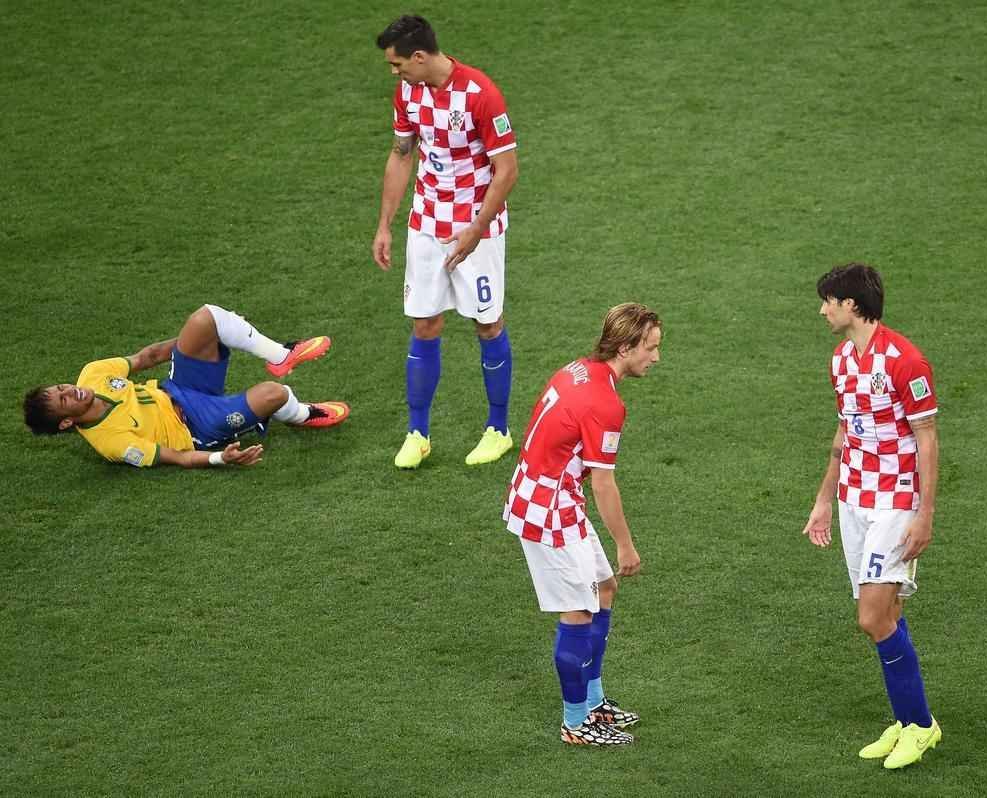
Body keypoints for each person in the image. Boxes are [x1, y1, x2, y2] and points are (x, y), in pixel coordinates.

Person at [802, 263, 942, 769]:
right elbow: (846, 434)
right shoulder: (841, 360)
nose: (822, 310)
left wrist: (925, 514)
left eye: (829, 301)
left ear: (852, 306)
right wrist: (822, 500)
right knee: (885, 615)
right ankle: (909, 722)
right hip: (852, 499)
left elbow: (927, 440)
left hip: (894, 502)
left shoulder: (906, 362)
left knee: (871, 617)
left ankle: (921, 725)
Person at [503, 303, 661, 746]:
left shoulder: (578, 369)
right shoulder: (606, 403)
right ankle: (576, 722)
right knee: (579, 608)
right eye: (650, 348)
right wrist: (626, 545)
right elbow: (604, 486)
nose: (656, 357)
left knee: (603, 588)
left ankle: (593, 702)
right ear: (626, 347)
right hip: (548, 505)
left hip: (549, 491)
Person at [372, 14, 520, 470]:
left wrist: (477, 226)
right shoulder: (408, 93)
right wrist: (385, 224)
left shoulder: (480, 93)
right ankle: (418, 432)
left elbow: (507, 169)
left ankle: (498, 430)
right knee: (424, 324)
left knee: (487, 324)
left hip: (476, 230)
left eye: (397, 64)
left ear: (419, 56)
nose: (394, 72)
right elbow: (401, 155)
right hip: (426, 225)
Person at [22, 304, 348, 469]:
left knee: (207, 318)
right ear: (67, 422)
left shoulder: (92, 374)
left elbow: (148, 356)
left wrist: (216, 331)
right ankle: (301, 415)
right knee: (275, 394)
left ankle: (282, 355)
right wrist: (221, 458)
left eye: (62, 387)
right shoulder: (112, 444)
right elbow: (176, 457)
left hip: (177, 388)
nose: (71, 390)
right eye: (64, 400)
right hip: (196, 426)